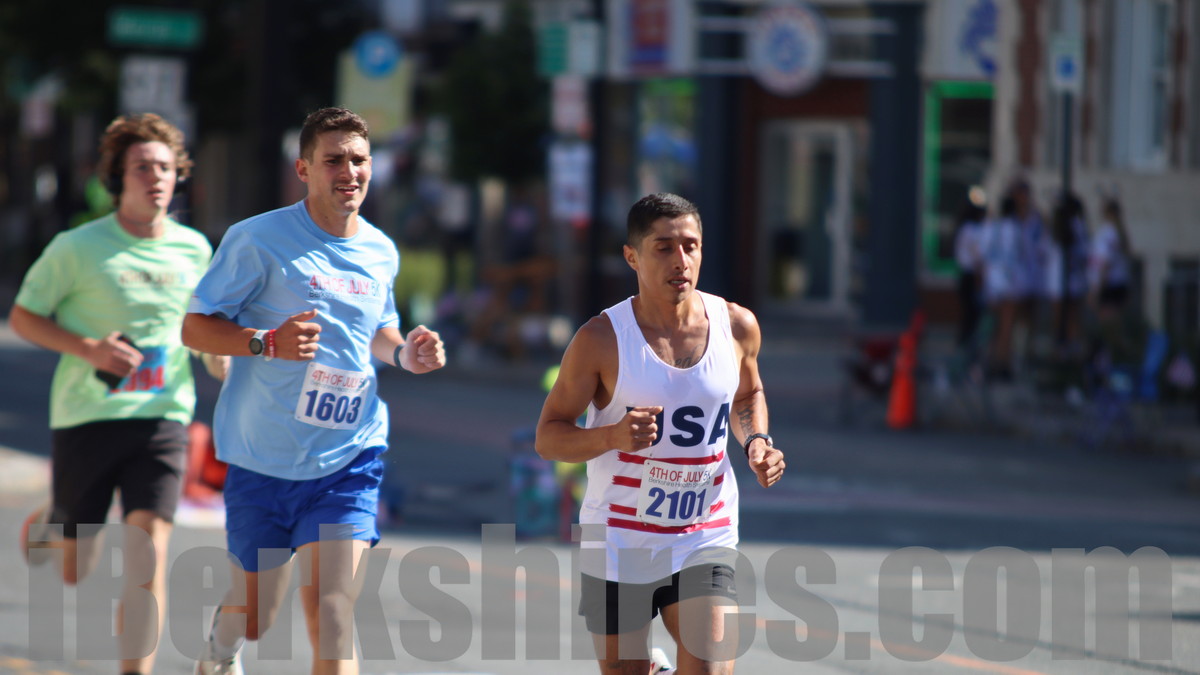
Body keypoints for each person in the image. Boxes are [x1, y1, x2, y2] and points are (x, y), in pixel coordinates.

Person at [182, 107, 445, 675]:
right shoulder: (257, 239)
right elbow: (195, 327)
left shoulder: (381, 249)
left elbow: (378, 329)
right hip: (262, 459)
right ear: (303, 169)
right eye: (334, 160)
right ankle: (220, 650)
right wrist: (264, 342)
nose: (349, 172)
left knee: (332, 616)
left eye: (359, 160)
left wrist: (406, 353)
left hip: (347, 457)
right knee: (255, 616)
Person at [535, 192, 786, 674]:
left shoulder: (736, 326)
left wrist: (756, 441)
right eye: (664, 247)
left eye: (691, 246)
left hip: (703, 531)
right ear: (632, 256)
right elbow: (549, 437)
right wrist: (611, 437)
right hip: (619, 537)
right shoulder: (601, 339)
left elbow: (748, 394)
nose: (681, 260)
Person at [12, 112, 226, 675]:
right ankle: (52, 519)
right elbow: (24, 317)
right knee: (74, 567)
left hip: (163, 415)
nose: (155, 178)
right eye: (141, 168)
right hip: (88, 415)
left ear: (178, 176)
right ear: (117, 177)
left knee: (148, 551)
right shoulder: (77, 247)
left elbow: (205, 328)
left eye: (165, 168)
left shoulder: (195, 250)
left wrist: (219, 358)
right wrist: (88, 349)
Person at [1043, 192, 1090, 352]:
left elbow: (1045, 251)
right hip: (1070, 279)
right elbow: (1085, 252)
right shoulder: (1074, 225)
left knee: (1061, 318)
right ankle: (1069, 349)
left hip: (1060, 279)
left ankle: (1063, 349)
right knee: (1071, 318)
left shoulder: (1062, 225)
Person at [1089, 196, 1133, 321]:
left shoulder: (1109, 233)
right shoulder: (1118, 232)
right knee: (1114, 320)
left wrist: (1098, 288)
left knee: (1109, 321)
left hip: (1110, 284)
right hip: (1117, 282)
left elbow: (1105, 262)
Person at [953, 197, 987, 351]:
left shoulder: (964, 228)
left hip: (965, 274)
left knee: (969, 311)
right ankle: (966, 343)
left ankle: (965, 341)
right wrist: (980, 275)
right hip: (970, 275)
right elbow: (976, 255)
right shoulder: (971, 229)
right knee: (972, 311)